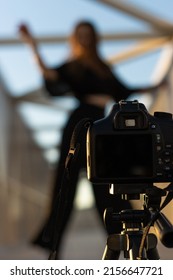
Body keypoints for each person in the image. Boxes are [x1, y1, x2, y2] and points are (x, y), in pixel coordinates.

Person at [19, 20, 165, 258]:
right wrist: (31, 45)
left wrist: (155, 85)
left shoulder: (103, 68)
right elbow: (50, 75)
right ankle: (52, 247)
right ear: (76, 39)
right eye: (81, 35)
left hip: (101, 130)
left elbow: (123, 90)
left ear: (94, 38)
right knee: (64, 186)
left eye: (88, 35)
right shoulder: (73, 66)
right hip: (77, 128)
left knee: (108, 184)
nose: (85, 39)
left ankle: (128, 237)